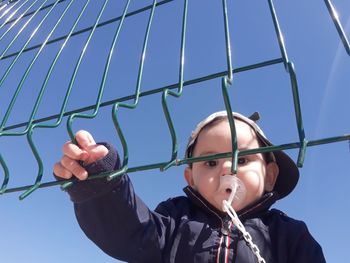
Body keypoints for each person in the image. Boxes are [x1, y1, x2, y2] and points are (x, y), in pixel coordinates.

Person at [53, 111, 326, 263]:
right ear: (191, 178)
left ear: (269, 175)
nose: (226, 169)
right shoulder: (174, 219)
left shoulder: (289, 235)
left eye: (241, 159)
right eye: (209, 163)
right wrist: (100, 179)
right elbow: (128, 231)